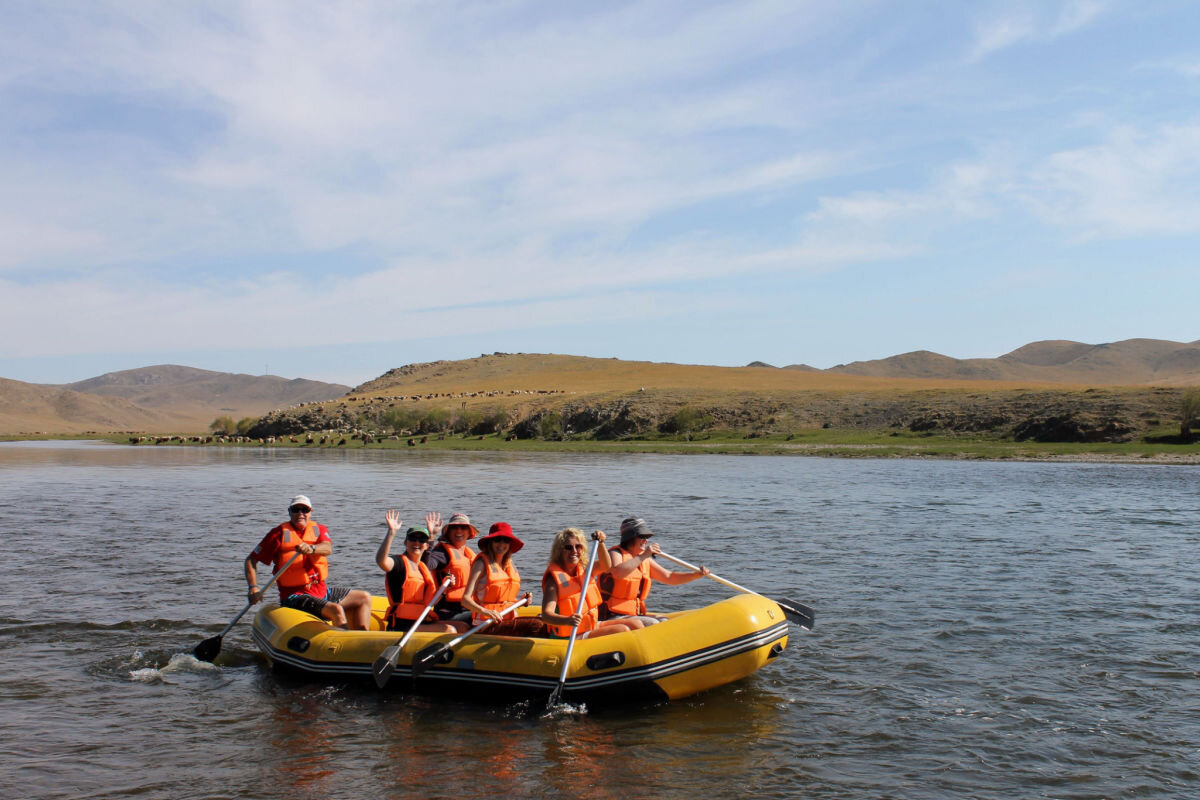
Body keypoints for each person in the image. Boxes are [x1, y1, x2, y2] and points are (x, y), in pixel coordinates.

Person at [245, 494, 373, 630]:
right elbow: (251, 560)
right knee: (336, 610)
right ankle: (348, 646)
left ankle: (363, 638)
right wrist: (253, 587)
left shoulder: (319, 530)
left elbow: (327, 548)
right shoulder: (277, 534)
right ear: (290, 512)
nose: (300, 513)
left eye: (304, 510)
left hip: (321, 591)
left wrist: (311, 548)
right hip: (295, 596)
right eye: (296, 510)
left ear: (310, 512)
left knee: (364, 597)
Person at [599, 516, 711, 625]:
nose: (646, 541)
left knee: (663, 620)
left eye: (647, 537)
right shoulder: (615, 553)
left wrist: (695, 575)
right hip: (611, 613)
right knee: (653, 623)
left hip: (632, 613)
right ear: (630, 538)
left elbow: (669, 577)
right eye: (642, 537)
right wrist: (645, 555)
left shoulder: (643, 558)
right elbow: (618, 573)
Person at [541, 528, 643, 639]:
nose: (574, 551)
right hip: (571, 634)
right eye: (568, 547)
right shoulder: (553, 581)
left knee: (636, 624)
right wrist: (568, 620)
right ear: (559, 551)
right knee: (622, 630)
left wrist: (601, 544)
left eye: (578, 547)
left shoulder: (586, 569)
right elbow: (546, 615)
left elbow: (606, 566)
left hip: (590, 626)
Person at [375, 510, 465, 634]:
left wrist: (444, 588)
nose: (417, 543)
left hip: (420, 621)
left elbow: (430, 602)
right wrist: (391, 533)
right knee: (449, 630)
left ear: (427, 545)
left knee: (462, 627)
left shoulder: (423, 568)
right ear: (406, 542)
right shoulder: (399, 564)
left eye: (422, 540)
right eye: (412, 539)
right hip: (402, 625)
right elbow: (381, 561)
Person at [461, 522, 539, 635]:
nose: (502, 544)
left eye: (506, 540)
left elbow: (503, 601)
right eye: (498, 539)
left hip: (506, 620)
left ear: (510, 544)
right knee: (536, 625)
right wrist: (485, 611)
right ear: (490, 542)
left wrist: (520, 601)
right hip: (485, 624)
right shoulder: (481, 564)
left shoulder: (508, 565)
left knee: (541, 620)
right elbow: (465, 600)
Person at [421, 512, 478, 623]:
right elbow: (425, 565)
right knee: (482, 615)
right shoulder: (442, 553)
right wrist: (431, 537)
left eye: (463, 527)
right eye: (454, 528)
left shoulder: (469, 554)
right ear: (448, 532)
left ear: (469, 532)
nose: (459, 531)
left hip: (468, 608)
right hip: (447, 612)